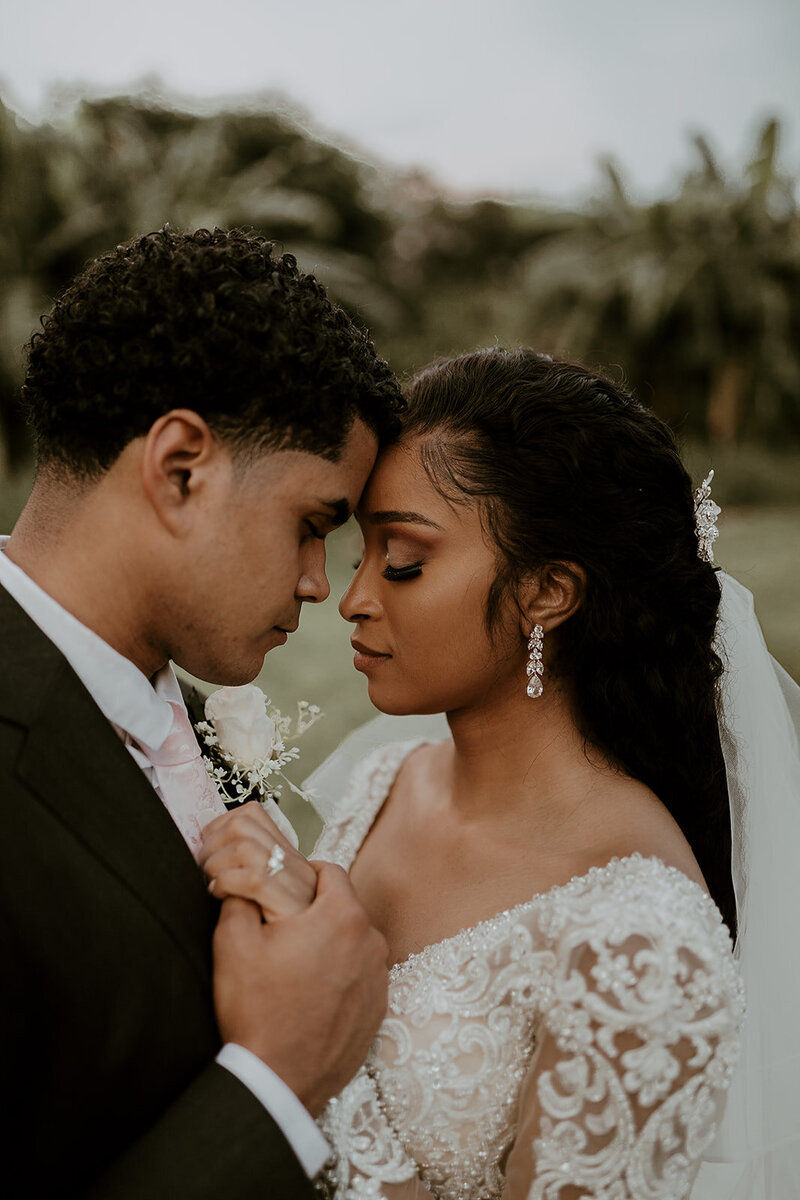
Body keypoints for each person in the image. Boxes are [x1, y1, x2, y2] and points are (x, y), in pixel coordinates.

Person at [206, 348, 799, 1198]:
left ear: (548, 593)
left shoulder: (641, 944)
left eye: (403, 560)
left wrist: (312, 1076)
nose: (354, 596)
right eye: (360, 552)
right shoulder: (387, 779)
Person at [0, 226, 404, 1197]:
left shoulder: (168, 705)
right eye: (310, 525)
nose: (318, 584)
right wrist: (277, 1081)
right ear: (181, 467)